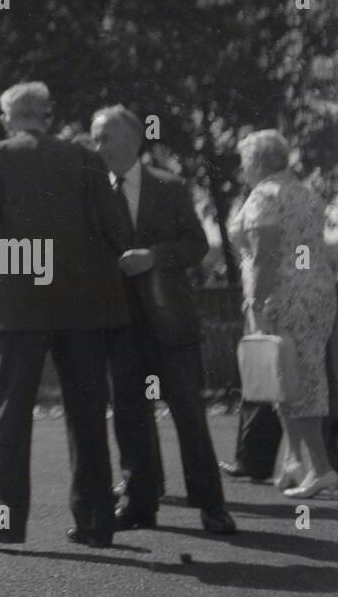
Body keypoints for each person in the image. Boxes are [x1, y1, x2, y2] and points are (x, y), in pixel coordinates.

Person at [0, 82, 128, 547]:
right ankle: (96, 520)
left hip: (16, 306)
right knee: (87, 413)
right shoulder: (85, 158)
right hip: (81, 305)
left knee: (11, 414)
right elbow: (115, 229)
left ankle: (8, 521)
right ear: (48, 115)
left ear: (9, 117)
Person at [91, 106, 236, 534]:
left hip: (171, 324)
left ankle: (212, 506)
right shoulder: (93, 192)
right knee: (130, 417)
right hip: (118, 325)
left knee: (190, 415)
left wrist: (154, 257)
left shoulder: (169, 187)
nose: (99, 148)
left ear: (135, 140)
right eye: (95, 139)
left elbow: (196, 244)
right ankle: (139, 505)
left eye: (106, 138)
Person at [231, 130, 338, 498]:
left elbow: (265, 253)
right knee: (289, 375)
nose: (243, 169)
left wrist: (257, 302)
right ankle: (294, 460)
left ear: (258, 162)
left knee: (298, 380)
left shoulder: (265, 194)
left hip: (284, 296)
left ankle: (321, 469)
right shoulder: (305, 193)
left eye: (245, 161)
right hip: (316, 292)